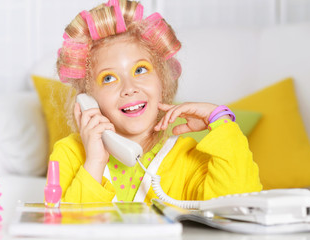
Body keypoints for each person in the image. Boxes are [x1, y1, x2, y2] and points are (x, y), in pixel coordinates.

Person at [50, 0, 262, 204]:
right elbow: (63, 230)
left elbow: (236, 206)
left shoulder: (186, 157)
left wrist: (220, 121)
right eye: (108, 78)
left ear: (162, 81)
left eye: (140, 70)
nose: (129, 88)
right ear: (88, 98)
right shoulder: (70, 154)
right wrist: (94, 163)